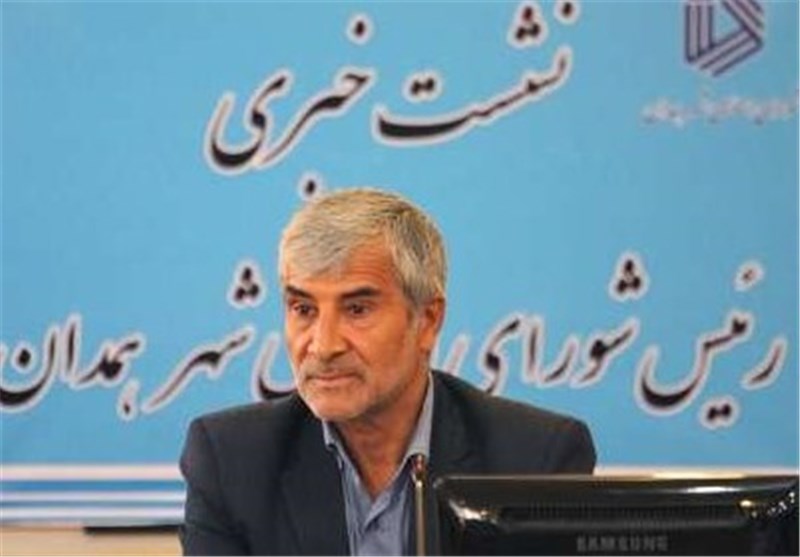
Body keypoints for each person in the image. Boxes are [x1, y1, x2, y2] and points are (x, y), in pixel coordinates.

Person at [180, 188, 596, 556]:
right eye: (303, 309)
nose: (323, 345)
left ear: (428, 321)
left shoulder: (535, 459)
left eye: (357, 310)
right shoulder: (232, 462)